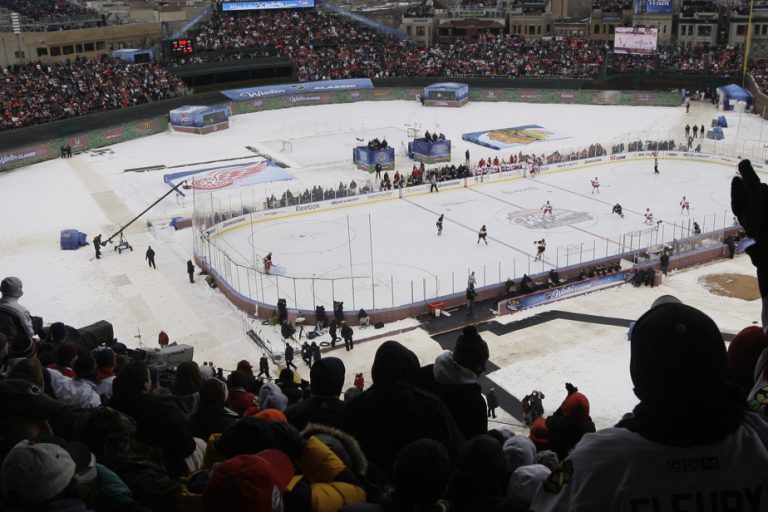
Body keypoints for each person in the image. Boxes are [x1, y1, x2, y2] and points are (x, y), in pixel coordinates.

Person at [532, 296, 768, 510]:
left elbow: (543, 504)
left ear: (639, 380)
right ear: (722, 368)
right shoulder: (760, 439)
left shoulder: (590, 460)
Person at [418, 325, 490, 439]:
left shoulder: (426, 373)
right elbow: (476, 445)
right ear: (473, 365)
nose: (484, 369)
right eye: (481, 364)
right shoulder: (474, 403)